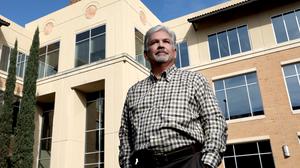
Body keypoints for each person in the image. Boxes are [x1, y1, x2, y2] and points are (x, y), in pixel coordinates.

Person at [119, 25, 227, 168]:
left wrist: (206, 164)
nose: (160, 45)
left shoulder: (194, 80)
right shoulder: (133, 92)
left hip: (188, 162)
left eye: (166, 41)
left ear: (174, 52)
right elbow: (125, 136)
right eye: (154, 42)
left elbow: (214, 121)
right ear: (146, 54)